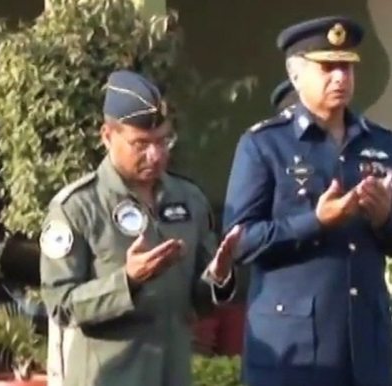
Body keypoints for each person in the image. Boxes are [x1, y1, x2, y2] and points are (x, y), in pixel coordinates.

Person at [41, 70, 241, 386]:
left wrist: (219, 276)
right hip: (108, 376)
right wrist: (128, 281)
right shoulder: (78, 206)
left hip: (171, 373)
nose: (156, 155)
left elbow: (198, 300)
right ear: (107, 136)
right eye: (141, 144)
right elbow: (61, 305)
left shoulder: (189, 199)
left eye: (164, 141)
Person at [223, 16, 392, 386]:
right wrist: (316, 221)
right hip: (294, 352)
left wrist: (383, 220)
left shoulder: (381, 144)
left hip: (367, 347)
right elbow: (241, 241)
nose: (340, 78)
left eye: (347, 67)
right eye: (328, 67)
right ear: (296, 75)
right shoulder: (264, 145)